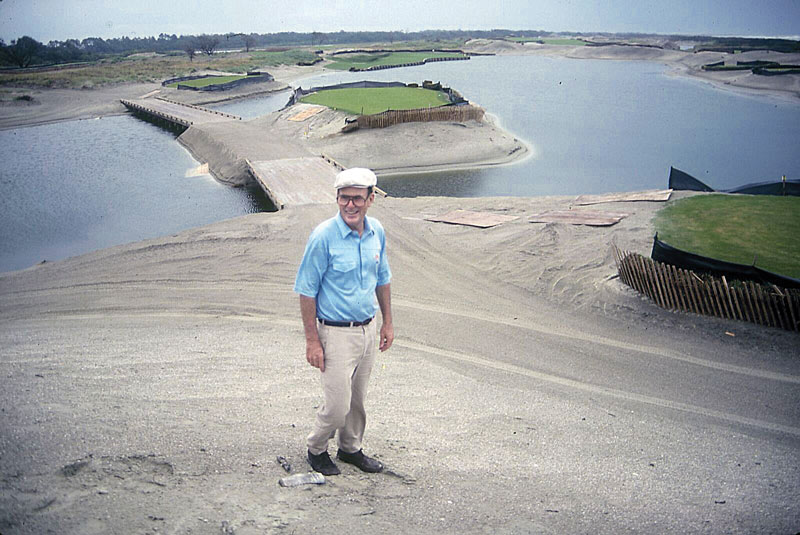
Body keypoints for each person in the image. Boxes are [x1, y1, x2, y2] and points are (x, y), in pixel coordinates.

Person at [293, 167, 394, 476]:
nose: (351, 206)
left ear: (371, 199)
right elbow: (306, 290)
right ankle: (317, 448)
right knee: (338, 405)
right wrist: (312, 340)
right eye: (344, 199)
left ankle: (350, 449)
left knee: (358, 400)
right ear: (337, 199)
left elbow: (383, 278)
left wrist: (388, 322)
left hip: (367, 328)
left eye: (357, 199)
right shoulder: (324, 236)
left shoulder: (376, 231)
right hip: (334, 333)